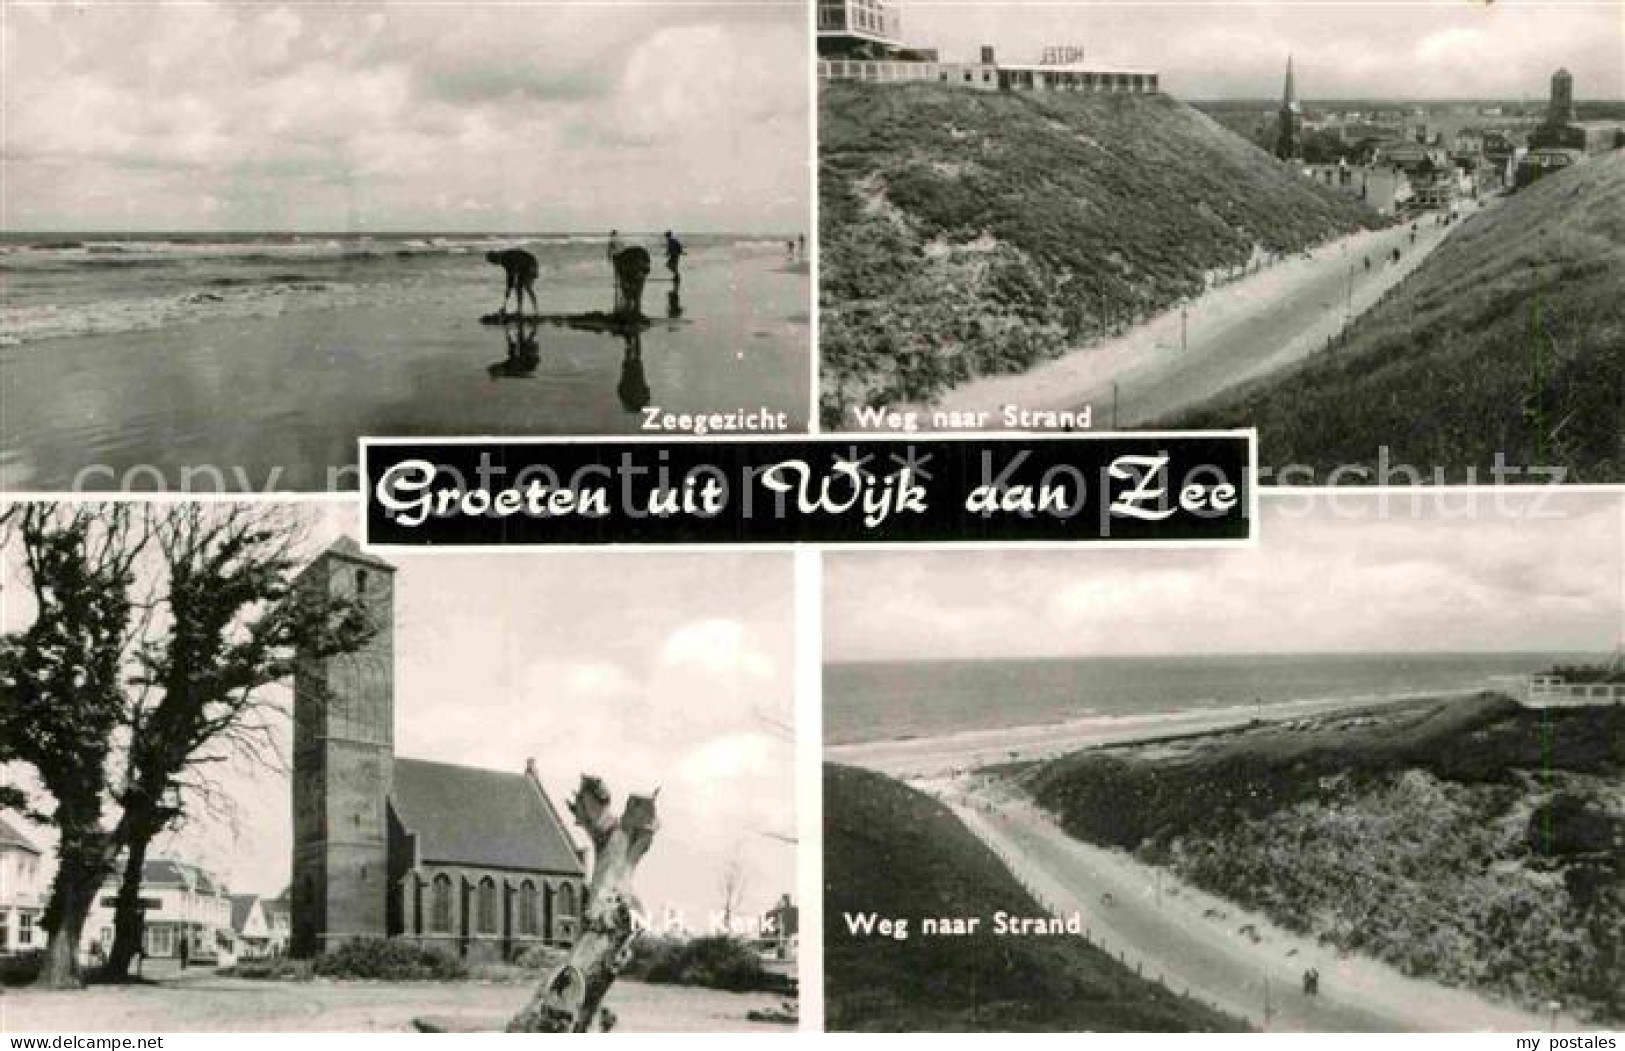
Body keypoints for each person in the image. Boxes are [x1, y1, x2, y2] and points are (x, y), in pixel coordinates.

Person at [485, 249, 539, 317]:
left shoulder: (507, 258)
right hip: (522, 266)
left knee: (527, 286)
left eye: (494, 262)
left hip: (531, 263)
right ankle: (519, 310)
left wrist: (509, 289)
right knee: (518, 287)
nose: (495, 264)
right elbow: (510, 275)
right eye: (493, 262)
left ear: (496, 257)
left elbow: (512, 274)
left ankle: (536, 311)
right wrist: (508, 289)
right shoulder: (502, 260)